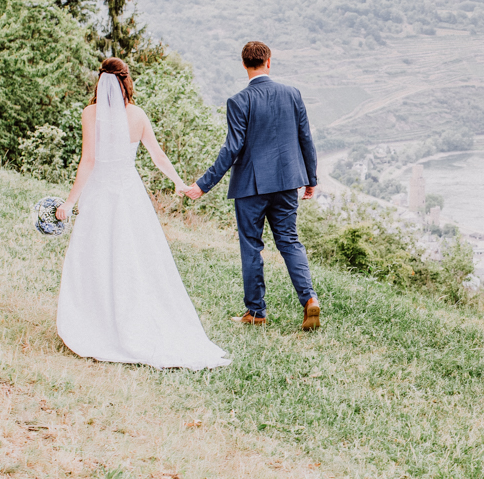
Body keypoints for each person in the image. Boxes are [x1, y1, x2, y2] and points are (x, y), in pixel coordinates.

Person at [54, 58, 231, 370]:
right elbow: (157, 154)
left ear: (100, 81)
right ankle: (130, 318)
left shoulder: (90, 114)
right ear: (126, 81)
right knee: (133, 258)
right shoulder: (137, 116)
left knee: (95, 256)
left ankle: (97, 321)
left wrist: (69, 203)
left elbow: (88, 162)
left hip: (99, 193)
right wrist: (178, 182)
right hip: (128, 194)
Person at [185, 41, 320, 330]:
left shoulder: (238, 101)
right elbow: (305, 138)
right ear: (268, 62)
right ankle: (309, 299)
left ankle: (256, 313)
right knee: (289, 241)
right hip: (287, 183)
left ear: (244, 65)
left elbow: (231, 149)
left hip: (251, 187)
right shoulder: (292, 94)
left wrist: (202, 185)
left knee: (251, 247)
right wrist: (310, 178)